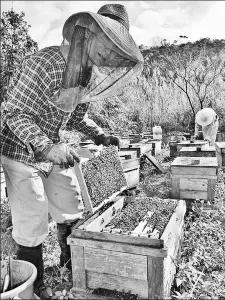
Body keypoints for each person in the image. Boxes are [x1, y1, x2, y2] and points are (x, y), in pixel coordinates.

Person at [0, 3, 143, 295]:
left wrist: (101, 135)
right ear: (88, 32)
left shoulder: (85, 76)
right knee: (33, 213)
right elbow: (13, 112)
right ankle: (34, 284)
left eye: (116, 48)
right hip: (19, 151)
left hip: (52, 153)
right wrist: (45, 145)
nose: (110, 54)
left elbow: (77, 116)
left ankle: (70, 266)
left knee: (70, 206)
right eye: (107, 41)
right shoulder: (44, 63)